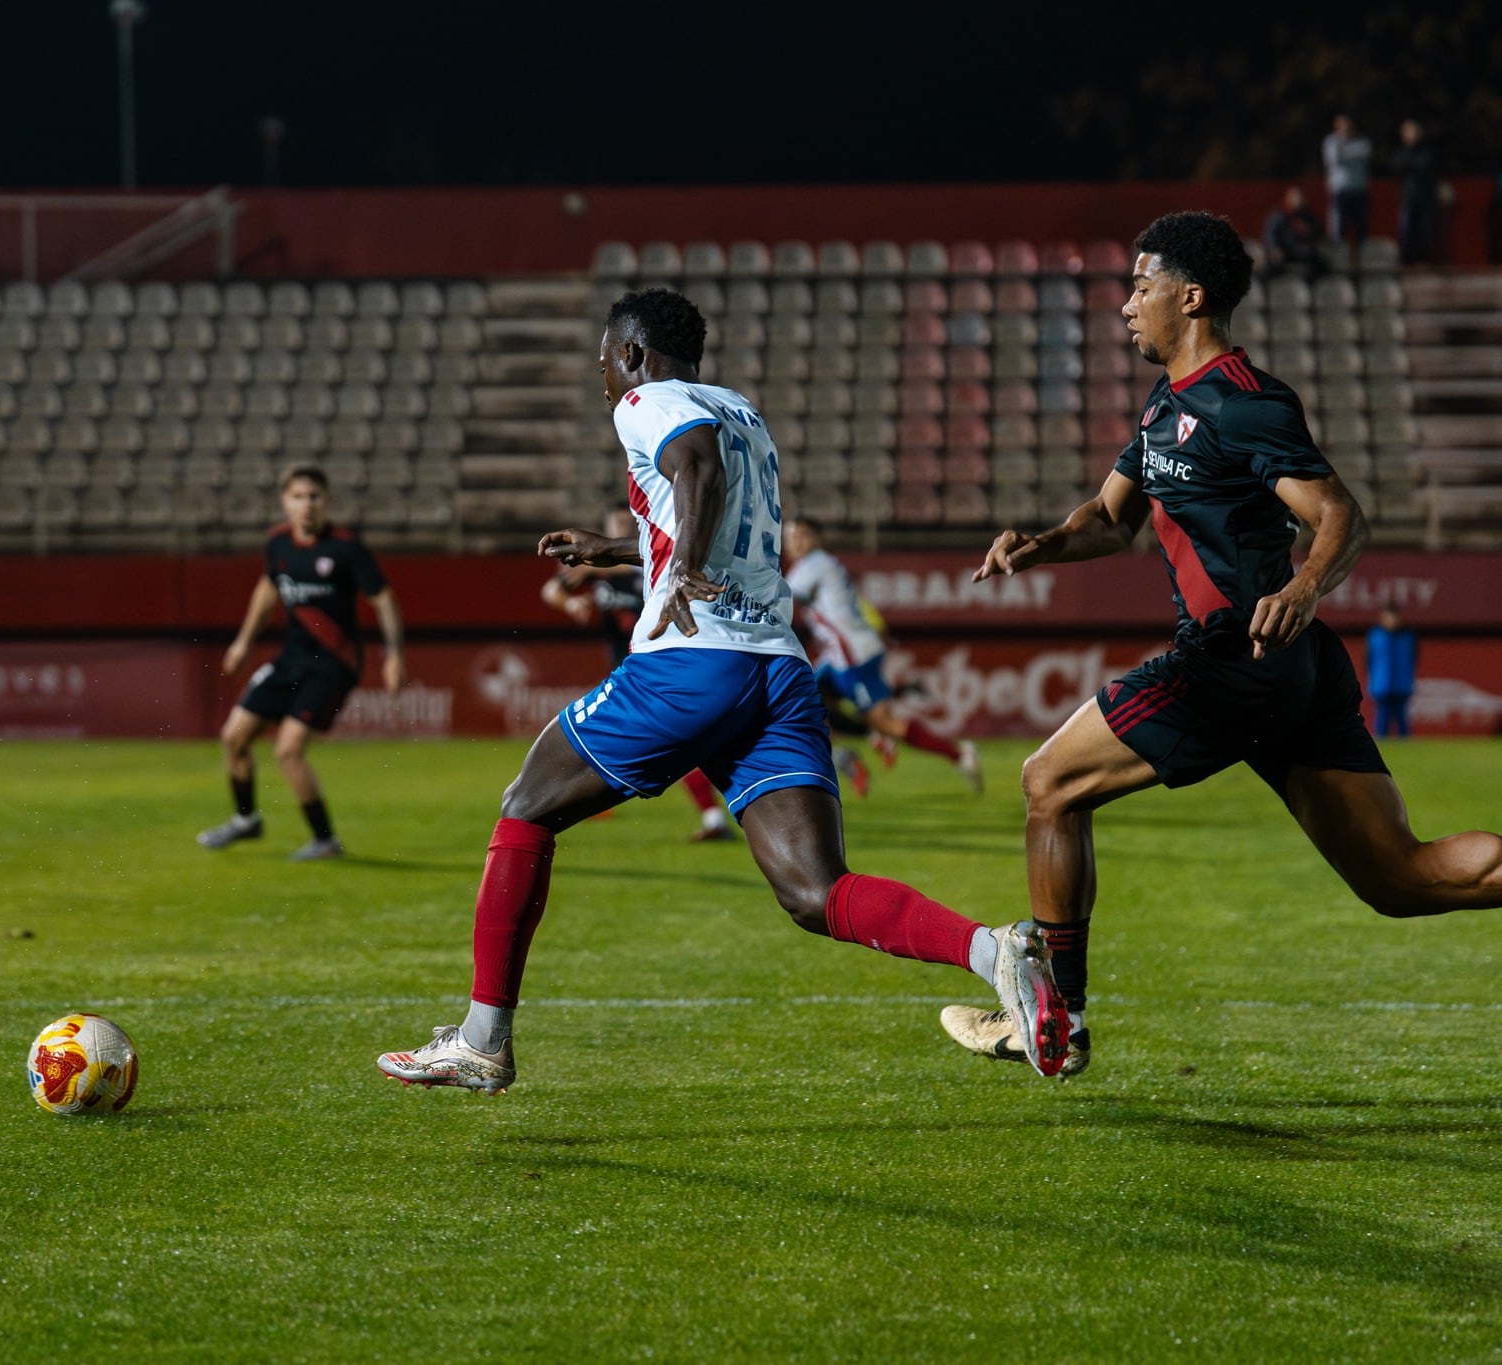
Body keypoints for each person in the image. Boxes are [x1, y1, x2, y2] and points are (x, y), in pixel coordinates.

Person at [376, 288, 1071, 1094]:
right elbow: (722, 512)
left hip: (693, 662)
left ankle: (481, 1040)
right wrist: (623, 549)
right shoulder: (742, 409)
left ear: (632, 354)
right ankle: (996, 952)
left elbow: (696, 465)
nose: (604, 378)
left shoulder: (647, 401)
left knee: (525, 806)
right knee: (815, 890)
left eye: (604, 361)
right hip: (776, 670)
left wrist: (680, 571)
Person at [941, 211, 1502, 1078]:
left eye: (1141, 287)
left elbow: (1339, 516)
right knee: (1398, 879)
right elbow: (1108, 518)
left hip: (1233, 658)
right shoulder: (1165, 404)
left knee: (1048, 782)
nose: (1126, 306)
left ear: (1190, 297)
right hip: (1289, 672)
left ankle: (1057, 1021)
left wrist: (1303, 586)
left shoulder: (1243, 401)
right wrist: (1038, 544)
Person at [198, 465, 406, 860]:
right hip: (290, 660)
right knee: (233, 738)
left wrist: (394, 655)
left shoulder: (346, 548)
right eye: (298, 497)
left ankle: (325, 840)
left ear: (327, 501)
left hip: (333, 664)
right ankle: (246, 820)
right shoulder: (279, 542)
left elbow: (384, 599)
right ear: (284, 501)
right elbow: (268, 589)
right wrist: (243, 642)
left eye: (314, 497)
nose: (306, 505)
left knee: (288, 750)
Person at [542, 504, 737, 842]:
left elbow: (651, 558)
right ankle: (713, 816)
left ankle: (578, 799)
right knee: (677, 742)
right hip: (628, 668)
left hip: (662, 665)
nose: (621, 528)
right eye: (614, 524)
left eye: (626, 523)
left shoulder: (649, 559)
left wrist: (601, 560)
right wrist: (570, 602)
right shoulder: (598, 570)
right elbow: (550, 591)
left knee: (677, 741)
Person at [783, 515, 984, 794]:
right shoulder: (821, 564)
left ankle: (958, 755)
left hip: (852, 655)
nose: (796, 542)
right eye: (790, 537)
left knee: (886, 722)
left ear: (817, 539)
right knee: (804, 701)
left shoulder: (815, 564)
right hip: (841, 654)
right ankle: (856, 749)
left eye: (802, 535)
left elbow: (780, 595)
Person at [1389, 120, 1440, 265]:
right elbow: (1396, 166)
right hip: (1407, 195)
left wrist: (1408, 164)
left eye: (1413, 132)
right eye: (1407, 132)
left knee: (1425, 230)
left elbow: (1424, 165)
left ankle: (1422, 260)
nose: (1410, 135)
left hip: (1426, 196)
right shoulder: (1400, 152)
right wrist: (1410, 162)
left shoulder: (1426, 151)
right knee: (1405, 229)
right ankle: (1405, 260)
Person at [1365, 603, 1418, 738]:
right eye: (1389, 617)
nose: (1392, 621)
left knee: (1402, 722)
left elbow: (1414, 659)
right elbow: (1368, 660)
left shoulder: (1408, 636)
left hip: (1402, 685)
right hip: (1381, 686)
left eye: (1394, 617)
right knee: (1381, 722)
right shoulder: (1375, 635)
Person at [1323, 115, 1374, 249]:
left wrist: (1345, 153)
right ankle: (1339, 254)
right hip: (1340, 190)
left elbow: (1365, 156)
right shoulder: (1331, 141)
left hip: (1360, 190)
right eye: (1342, 125)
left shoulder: (1362, 140)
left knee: (1361, 225)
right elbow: (1335, 159)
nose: (1346, 128)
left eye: (1348, 124)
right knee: (1339, 226)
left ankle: (1362, 255)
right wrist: (1350, 153)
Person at [1262, 185, 1327, 279]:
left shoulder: (1308, 216)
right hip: (1285, 251)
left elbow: (1319, 232)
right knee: (1271, 265)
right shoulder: (1280, 214)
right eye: (1296, 197)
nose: (1299, 200)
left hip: (1302, 251)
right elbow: (1270, 234)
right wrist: (1275, 248)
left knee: (1321, 263)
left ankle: (1315, 285)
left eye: (1301, 197)